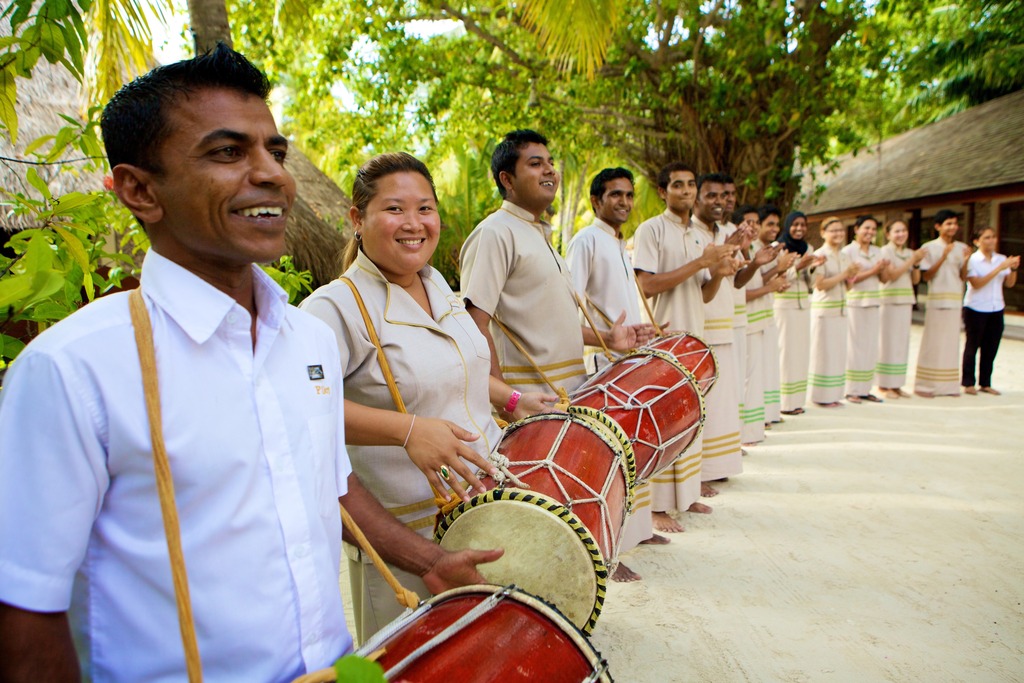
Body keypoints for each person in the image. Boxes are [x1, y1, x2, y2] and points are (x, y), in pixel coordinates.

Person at [0, 47, 499, 682]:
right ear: (138, 190)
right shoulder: (73, 371)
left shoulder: (305, 343)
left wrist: (426, 561)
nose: (273, 176)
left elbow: (330, 482)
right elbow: (23, 606)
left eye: (276, 152)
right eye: (227, 152)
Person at [300, 153, 552, 639]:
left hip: (485, 509)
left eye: (425, 209)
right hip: (404, 534)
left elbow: (460, 372)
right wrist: (407, 430)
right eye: (395, 209)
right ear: (357, 219)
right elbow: (301, 409)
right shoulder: (333, 310)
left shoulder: (441, 288)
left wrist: (515, 400)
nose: (413, 224)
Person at [460, 129, 635, 397]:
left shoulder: (539, 233)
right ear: (507, 179)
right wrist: (507, 401)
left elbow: (551, 326)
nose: (550, 171)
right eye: (535, 164)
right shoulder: (494, 232)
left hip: (569, 395)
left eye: (551, 163)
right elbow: (474, 324)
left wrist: (607, 338)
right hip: (531, 403)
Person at [565, 167, 662, 582]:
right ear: (595, 201)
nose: (623, 202)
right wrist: (604, 339)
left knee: (631, 447)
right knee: (607, 455)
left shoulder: (621, 243)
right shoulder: (586, 240)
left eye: (628, 195)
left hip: (626, 356)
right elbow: (569, 306)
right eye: (614, 195)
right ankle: (608, 552)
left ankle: (637, 532)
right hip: (601, 361)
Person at [633, 162, 737, 532]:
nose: (686, 191)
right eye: (677, 185)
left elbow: (703, 293)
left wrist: (718, 274)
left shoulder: (696, 234)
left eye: (691, 185)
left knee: (691, 416)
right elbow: (646, 285)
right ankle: (658, 508)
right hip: (665, 337)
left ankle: (686, 495)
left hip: (695, 335)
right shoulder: (651, 230)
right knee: (664, 420)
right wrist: (700, 263)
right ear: (663, 192)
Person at [691, 173, 745, 494]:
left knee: (722, 402)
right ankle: (701, 472)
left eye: (724, 197)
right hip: (702, 325)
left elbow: (731, 280)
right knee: (706, 403)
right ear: (698, 199)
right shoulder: (694, 234)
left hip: (724, 322)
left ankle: (718, 466)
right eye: (712, 196)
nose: (720, 202)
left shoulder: (724, 232)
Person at [739, 205, 791, 445]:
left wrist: (776, 273)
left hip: (759, 320)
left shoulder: (753, 251)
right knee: (747, 380)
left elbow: (758, 281)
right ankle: (745, 434)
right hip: (745, 321)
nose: (753, 227)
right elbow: (741, 293)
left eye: (755, 222)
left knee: (757, 377)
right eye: (748, 222)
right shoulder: (739, 253)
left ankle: (754, 427)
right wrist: (770, 285)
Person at [914, 209, 973, 398]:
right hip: (937, 299)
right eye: (948, 223)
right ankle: (926, 385)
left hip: (955, 299)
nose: (953, 227)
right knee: (933, 342)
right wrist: (943, 256)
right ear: (938, 226)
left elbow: (964, 277)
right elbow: (926, 275)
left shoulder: (962, 247)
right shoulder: (929, 247)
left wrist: (966, 260)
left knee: (950, 342)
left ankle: (948, 387)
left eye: (955, 223)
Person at [961, 227, 1020, 395]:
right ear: (977, 241)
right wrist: (999, 269)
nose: (991, 240)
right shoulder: (972, 260)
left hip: (996, 307)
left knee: (991, 346)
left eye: (993, 237)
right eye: (987, 237)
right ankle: (968, 383)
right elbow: (976, 284)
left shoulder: (1001, 259)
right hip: (975, 307)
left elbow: (1009, 284)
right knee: (972, 345)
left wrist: (1013, 269)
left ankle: (985, 383)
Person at [775, 211, 823, 415]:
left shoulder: (808, 248)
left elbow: (812, 284)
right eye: (795, 225)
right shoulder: (778, 248)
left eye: (803, 225)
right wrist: (798, 266)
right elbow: (777, 279)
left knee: (801, 353)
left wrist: (813, 269)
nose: (799, 229)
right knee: (785, 353)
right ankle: (783, 402)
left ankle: (796, 401)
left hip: (803, 305)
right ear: (787, 226)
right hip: (784, 307)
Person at [809, 217, 860, 407]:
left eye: (840, 230)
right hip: (824, 311)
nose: (838, 234)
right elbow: (820, 284)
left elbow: (847, 286)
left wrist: (852, 276)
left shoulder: (845, 255)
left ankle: (834, 395)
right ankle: (821, 396)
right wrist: (846, 274)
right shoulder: (820, 254)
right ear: (823, 233)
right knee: (824, 354)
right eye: (833, 230)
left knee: (838, 354)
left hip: (840, 309)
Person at [841, 215, 889, 403]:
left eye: (872, 229)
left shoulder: (878, 251)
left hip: (874, 301)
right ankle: (852, 389)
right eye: (866, 228)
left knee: (870, 346)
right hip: (855, 302)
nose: (869, 232)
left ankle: (865, 388)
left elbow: (884, 279)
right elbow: (849, 278)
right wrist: (873, 270)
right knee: (855, 346)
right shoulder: (849, 251)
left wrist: (882, 269)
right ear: (856, 229)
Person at [877, 220, 925, 398]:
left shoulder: (910, 252)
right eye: (896, 231)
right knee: (887, 342)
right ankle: (884, 384)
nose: (901, 234)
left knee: (901, 343)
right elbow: (892, 275)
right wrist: (912, 260)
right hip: (889, 300)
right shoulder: (885, 251)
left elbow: (915, 280)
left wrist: (917, 264)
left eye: (904, 230)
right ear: (888, 234)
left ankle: (896, 384)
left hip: (905, 299)